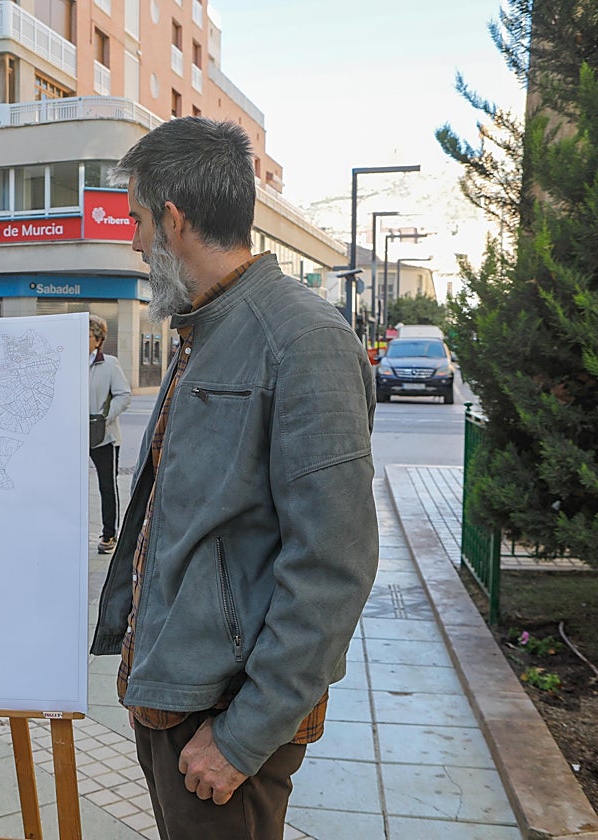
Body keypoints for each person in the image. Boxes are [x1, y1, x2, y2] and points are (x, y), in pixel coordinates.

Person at [90, 117, 379, 839]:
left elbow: (335, 565)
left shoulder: (303, 340)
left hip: (224, 719)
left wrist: (243, 735)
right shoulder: (205, 327)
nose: (130, 241)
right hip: (173, 695)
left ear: (175, 220)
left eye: (136, 220)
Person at [88, 314, 132, 553]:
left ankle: (109, 535)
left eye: (87, 336)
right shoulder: (69, 361)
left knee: (107, 485)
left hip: (104, 436)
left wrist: (104, 418)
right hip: (74, 435)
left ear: (98, 339)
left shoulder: (110, 364)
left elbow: (124, 395)